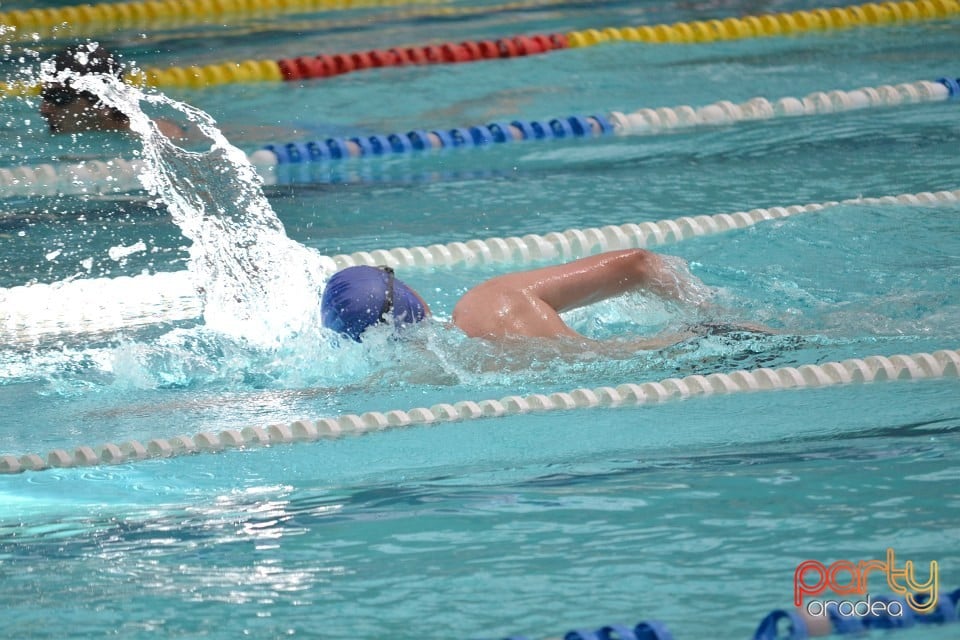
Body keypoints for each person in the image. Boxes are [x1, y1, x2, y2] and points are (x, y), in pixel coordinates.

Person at [321, 248, 723, 347]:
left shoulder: (393, 385)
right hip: (709, 340)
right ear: (415, 298)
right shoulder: (487, 306)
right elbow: (639, 264)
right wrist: (709, 307)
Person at [39, 42, 189, 139]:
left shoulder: (163, 137)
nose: (44, 109)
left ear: (102, 102)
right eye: (45, 96)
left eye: (58, 98)